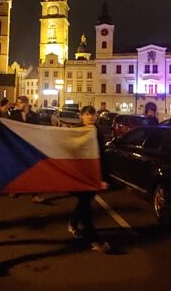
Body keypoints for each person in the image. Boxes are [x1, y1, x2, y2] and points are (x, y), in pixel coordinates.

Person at [67, 105, 111, 253]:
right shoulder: (77, 131)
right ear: (81, 116)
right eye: (87, 114)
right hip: (80, 175)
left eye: (92, 115)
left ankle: (73, 223)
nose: (90, 117)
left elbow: (103, 156)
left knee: (84, 202)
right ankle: (94, 239)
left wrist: (103, 177)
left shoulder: (97, 132)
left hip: (93, 174)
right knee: (85, 206)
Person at [9, 95, 44, 203]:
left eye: (20, 103)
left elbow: (37, 129)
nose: (18, 105)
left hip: (30, 146)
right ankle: (15, 189)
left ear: (26, 103)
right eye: (18, 103)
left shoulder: (34, 115)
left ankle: (35, 193)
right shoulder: (14, 114)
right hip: (17, 146)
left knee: (33, 170)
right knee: (17, 170)